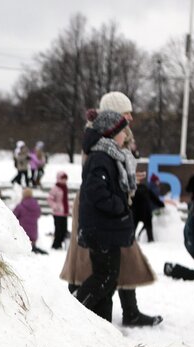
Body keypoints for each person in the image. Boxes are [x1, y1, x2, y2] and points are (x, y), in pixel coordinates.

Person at [61, 91, 162, 327]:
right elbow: (97, 176)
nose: (131, 118)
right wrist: (117, 189)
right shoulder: (101, 139)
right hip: (100, 209)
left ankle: (124, 310)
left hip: (111, 206)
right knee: (100, 265)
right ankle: (80, 307)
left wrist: (126, 178)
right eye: (126, 113)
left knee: (116, 262)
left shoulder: (116, 136)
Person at [72, 110, 134, 322]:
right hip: (101, 228)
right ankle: (70, 315)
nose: (125, 136)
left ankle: (101, 326)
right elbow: (97, 191)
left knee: (109, 281)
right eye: (122, 131)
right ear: (111, 133)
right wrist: (119, 205)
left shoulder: (108, 156)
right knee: (105, 277)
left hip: (105, 228)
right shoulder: (101, 157)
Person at [13, 187, 45, 254]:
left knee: (24, 237)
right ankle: (33, 246)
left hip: (23, 230)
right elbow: (39, 214)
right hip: (34, 231)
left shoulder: (21, 205)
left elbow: (13, 216)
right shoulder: (36, 205)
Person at [132, 178, 164, 242]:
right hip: (146, 211)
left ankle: (131, 240)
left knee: (133, 227)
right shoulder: (146, 189)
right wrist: (162, 205)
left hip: (135, 212)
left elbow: (129, 202)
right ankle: (150, 239)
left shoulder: (133, 190)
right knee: (148, 227)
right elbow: (154, 198)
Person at [48, 171, 69, 249]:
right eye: (62, 179)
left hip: (64, 212)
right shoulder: (55, 188)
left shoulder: (65, 187)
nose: (64, 181)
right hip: (57, 213)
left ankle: (61, 243)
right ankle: (56, 245)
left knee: (64, 229)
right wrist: (56, 206)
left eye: (65, 179)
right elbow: (50, 199)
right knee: (58, 230)